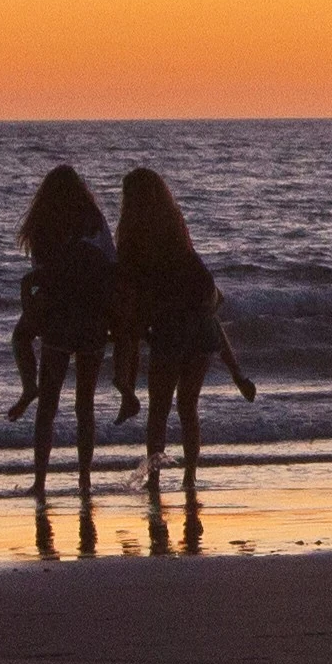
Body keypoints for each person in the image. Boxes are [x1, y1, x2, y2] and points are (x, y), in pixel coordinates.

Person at [117, 166, 252, 523]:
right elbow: (209, 301)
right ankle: (190, 477)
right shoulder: (177, 230)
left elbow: (133, 295)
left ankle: (156, 480)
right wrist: (236, 371)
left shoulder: (134, 238)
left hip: (171, 326)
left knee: (159, 409)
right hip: (199, 322)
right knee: (188, 406)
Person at [7, 164, 127, 508]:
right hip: (91, 315)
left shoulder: (45, 225)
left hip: (57, 314)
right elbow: (111, 265)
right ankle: (85, 479)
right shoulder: (94, 221)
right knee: (84, 405)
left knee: (47, 404)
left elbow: (38, 276)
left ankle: (40, 480)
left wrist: (34, 308)